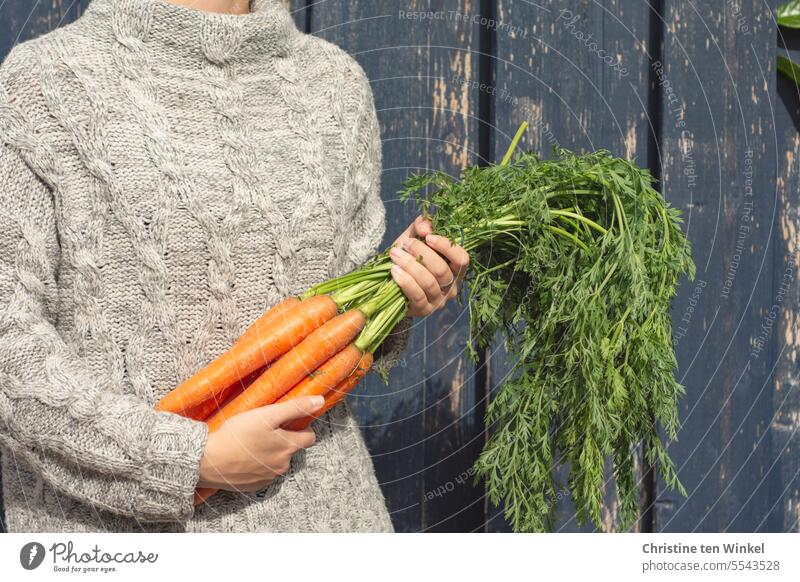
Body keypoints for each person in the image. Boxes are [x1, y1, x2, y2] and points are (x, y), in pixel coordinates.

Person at [0, 0, 469, 532]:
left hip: (331, 522)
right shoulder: (40, 85)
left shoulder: (334, 85)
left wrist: (398, 287)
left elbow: (338, 320)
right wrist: (186, 458)